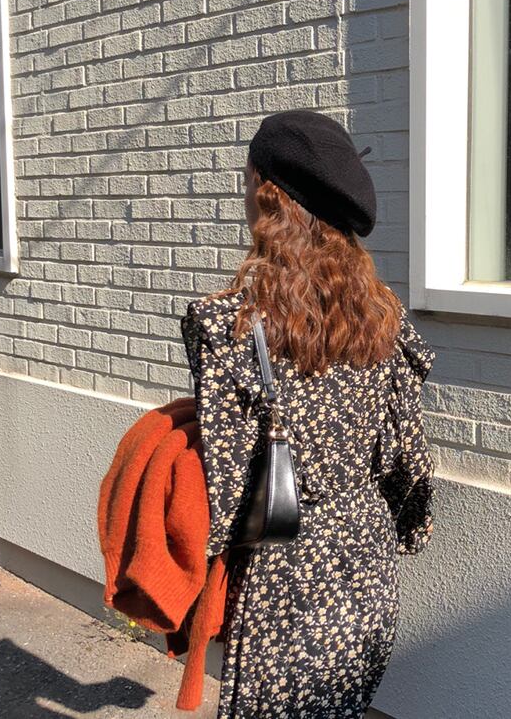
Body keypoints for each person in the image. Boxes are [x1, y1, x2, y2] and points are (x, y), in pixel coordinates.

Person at [180, 109, 436, 718]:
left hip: (284, 572)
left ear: (267, 197)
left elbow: (229, 491)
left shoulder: (226, 326)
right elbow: (408, 460)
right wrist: (399, 526)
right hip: (366, 560)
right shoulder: (385, 320)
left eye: (247, 182)